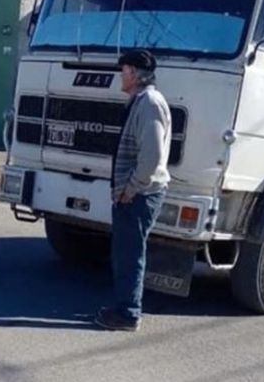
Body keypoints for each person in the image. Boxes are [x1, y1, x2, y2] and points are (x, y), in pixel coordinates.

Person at [94, 49, 172, 332]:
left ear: (135, 74)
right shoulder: (141, 101)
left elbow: (151, 156)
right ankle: (124, 307)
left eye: (123, 70)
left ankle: (128, 314)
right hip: (135, 191)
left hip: (141, 194)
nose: (120, 75)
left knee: (130, 255)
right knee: (125, 253)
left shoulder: (149, 103)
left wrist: (131, 189)